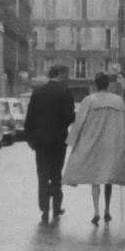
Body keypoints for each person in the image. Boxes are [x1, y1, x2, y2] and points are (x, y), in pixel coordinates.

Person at [63, 72, 125, 225]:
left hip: (94, 142)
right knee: (108, 177)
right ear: (108, 84)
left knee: (95, 178)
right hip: (111, 143)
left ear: (96, 84)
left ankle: (96, 211)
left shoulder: (89, 100)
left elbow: (79, 122)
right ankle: (107, 210)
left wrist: (72, 141)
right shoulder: (118, 100)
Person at [24, 64, 76, 223]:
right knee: (56, 174)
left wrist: (30, 138)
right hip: (59, 140)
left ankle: (44, 208)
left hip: (40, 142)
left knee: (42, 174)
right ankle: (56, 207)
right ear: (60, 73)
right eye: (66, 73)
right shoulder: (66, 92)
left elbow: (30, 117)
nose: (68, 77)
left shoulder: (38, 92)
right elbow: (70, 117)